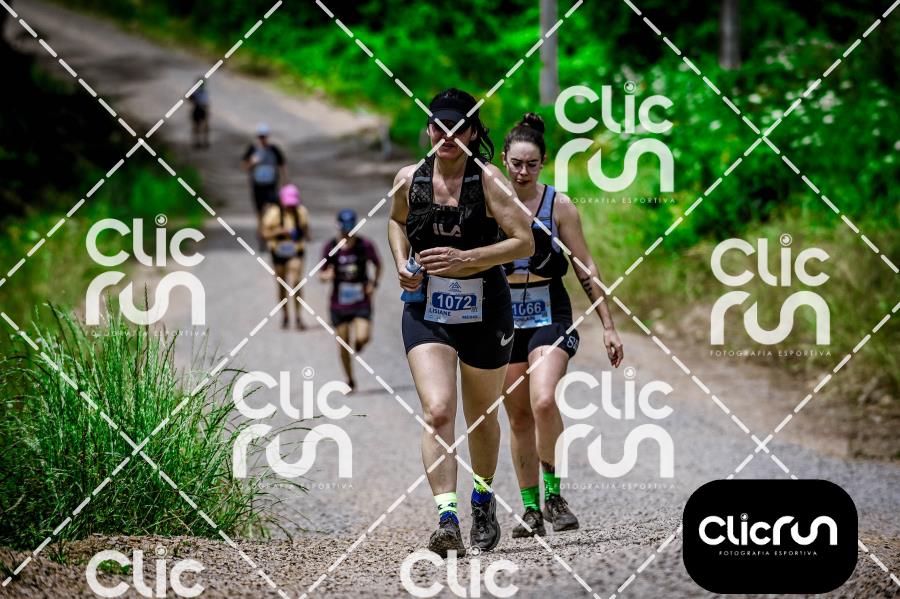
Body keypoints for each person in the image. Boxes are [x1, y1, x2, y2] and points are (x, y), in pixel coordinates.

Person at [388, 88, 534, 557]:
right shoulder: (410, 178)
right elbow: (396, 221)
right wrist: (401, 263)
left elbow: (524, 241)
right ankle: (447, 519)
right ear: (429, 129)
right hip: (427, 307)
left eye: (458, 128)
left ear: (472, 133)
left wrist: (467, 258)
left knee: (481, 415)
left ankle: (483, 499)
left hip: (486, 308)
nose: (447, 136)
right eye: (439, 126)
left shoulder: (489, 180)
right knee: (437, 410)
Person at [499, 113, 624, 538]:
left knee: (543, 400)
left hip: (549, 310)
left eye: (532, 165)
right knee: (519, 418)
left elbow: (586, 266)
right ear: (503, 160)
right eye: (517, 163)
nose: (523, 172)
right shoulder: (489, 202)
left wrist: (608, 325)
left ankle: (554, 495)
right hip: (502, 318)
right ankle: (530, 509)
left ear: (543, 163)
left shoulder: (559, 206)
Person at [319, 209, 381, 390]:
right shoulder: (330, 247)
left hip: (361, 301)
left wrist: (374, 283)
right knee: (343, 344)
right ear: (338, 227)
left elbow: (378, 264)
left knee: (363, 337)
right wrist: (327, 275)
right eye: (344, 228)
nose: (347, 232)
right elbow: (322, 273)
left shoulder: (365, 245)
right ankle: (350, 379)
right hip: (339, 304)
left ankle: (359, 346)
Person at [261, 184, 309, 329]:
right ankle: (285, 315)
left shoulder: (301, 212)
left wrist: (303, 235)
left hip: (296, 251)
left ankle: (298, 316)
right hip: (278, 252)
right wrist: (279, 232)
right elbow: (264, 233)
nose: (290, 207)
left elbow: (306, 230)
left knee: (296, 282)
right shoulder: (273, 213)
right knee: (282, 285)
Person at [242, 123, 287, 245]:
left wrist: (284, 182)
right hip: (258, 186)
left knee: (271, 210)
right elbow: (245, 167)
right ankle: (261, 235)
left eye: (264, 136)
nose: (263, 139)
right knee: (259, 213)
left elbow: (282, 165)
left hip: (271, 185)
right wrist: (252, 162)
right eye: (261, 136)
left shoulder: (274, 150)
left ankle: (269, 232)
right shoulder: (252, 150)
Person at [187, 78, 210, 148]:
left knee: (202, 126)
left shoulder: (203, 91)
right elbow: (188, 98)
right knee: (198, 126)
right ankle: (199, 142)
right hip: (199, 108)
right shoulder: (196, 92)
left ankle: (202, 141)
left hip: (201, 109)